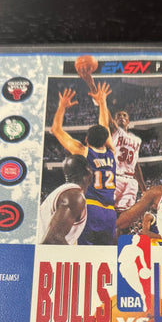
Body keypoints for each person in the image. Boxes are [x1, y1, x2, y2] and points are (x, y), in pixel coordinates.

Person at [50, 84, 117, 245]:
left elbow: (56, 129)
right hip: (110, 214)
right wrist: (102, 102)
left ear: (86, 140)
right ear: (105, 140)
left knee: (83, 253)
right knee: (105, 254)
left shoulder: (84, 151)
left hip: (91, 209)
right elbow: (104, 126)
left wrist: (61, 106)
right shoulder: (111, 152)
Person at [39, 155, 92, 245]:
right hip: (44, 251)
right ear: (90, 174)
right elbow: (54, 239)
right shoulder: (74, 196)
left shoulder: (65, 192)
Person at [109, 110, 147, 212]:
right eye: (118, 116)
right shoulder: (115, 133)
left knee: (125, 214)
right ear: (114, 120)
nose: (121, 117)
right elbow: (108, 120)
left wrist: (143, 188)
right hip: (115, 177)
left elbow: (135, 165)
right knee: (108, 210)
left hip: (130, 179)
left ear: (128, 120)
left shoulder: (136, 139)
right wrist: (102, 103)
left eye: (124, 115)